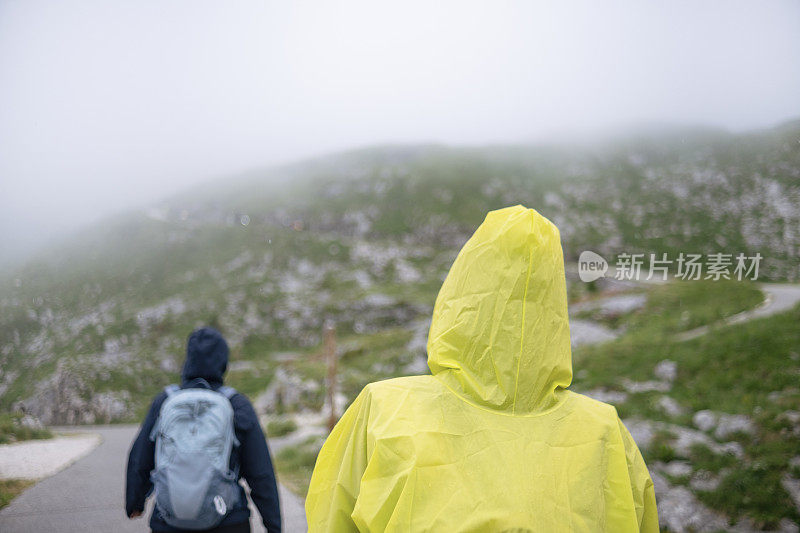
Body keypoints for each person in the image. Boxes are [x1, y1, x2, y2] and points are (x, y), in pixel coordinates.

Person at [306, 205, 659, 532]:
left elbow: (330, 517)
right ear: (554, 303)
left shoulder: (383, 408)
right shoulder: (606, 431)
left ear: (460, 290)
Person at [126, 327, 282, 533]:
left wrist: (135, 502)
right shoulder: (237, 404)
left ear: (188, 360)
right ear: (223, 363)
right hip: (228, 520)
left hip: (169, 521)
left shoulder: (165, 401)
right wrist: (273, 525)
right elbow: (261, 473)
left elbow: (140, 457)